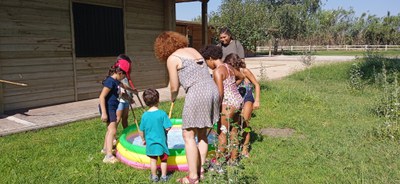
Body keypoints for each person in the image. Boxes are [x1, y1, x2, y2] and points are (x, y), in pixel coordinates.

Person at [154, 31, 220, 184]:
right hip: (212, 89)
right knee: (202, 133)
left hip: (197, 93)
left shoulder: (172, 58)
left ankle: (192, 178)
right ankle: (201, 170)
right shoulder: (193, 50)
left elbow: (174, 86)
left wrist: (173, 96)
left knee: (188, 136)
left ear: (162, 48)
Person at [200, 45, 244, 165]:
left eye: (206, 62)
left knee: (222, 132)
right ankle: (234, 160)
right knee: (234, 131)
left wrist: (214, 110)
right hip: (238, 101)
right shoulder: (228, 67)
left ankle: (219, 163)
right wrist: (232, 86)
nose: (207, 65)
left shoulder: (217, 71)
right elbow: (241, 76)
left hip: (228, 104)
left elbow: (219, 93)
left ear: (210, 58)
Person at [224, 53, 261, 158]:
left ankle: (245, 149)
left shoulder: (245, 71)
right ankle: (233, 147)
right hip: (235, 100)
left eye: (229, 64)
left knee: (244, 123)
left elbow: (257, 85)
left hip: (247, 98)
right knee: (234, 124)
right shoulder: (229, 73)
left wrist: (257, 100)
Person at [98, 60, 130, 164]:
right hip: (108, 108)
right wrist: (104, 112)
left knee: (110, 130)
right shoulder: (110, 81)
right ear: (120, 73)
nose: (124, 78)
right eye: (124, 76)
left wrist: (133, 91)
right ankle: (108, 156)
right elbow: (102, 96)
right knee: (113, 130)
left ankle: (105, 149)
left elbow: (124, 86)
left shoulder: (116, 81)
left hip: (111, 107)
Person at [139, 89, 172, 182]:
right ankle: (164, 176)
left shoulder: (145, 115)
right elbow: (168, 127)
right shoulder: (162, 114)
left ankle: (154, 176)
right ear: (158, 100)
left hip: (150, 143)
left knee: (153, 160)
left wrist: (143, 139)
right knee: (164, 160)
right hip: (161, 143)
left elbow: (141, 130)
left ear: (145, 102)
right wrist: (166, 130)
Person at [115, 54, 138, 129]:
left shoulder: (125, 76)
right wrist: (129, 99)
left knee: (125, 118)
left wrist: (131, 93)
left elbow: (127, 87)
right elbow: (121, 92)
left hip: (126, 100)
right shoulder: (120, 75)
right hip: (120, 100)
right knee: (117, 119)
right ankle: (113, 136)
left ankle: (126, 132)